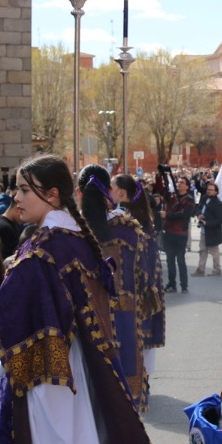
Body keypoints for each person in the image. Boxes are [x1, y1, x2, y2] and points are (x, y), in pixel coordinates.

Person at [0, 155, 165, 444]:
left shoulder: (44, 248)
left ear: (51, 194)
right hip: (74, 370)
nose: (16, 198)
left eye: (23, 190)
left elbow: (4, 313)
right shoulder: (75, 239)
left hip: (47, 379)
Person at [77, 165, 164, 414]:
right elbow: (146, 277)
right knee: (124, 403)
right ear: (108, 193)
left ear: (79, 193)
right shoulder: (128, 229)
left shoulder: (71, 232)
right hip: (124, 320)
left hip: (85, 320)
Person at [162, 177, 195, 293]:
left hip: (180, 233)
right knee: (170, 260)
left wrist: (167, 215)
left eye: (182, 182)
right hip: (169, 232)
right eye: (178, 182)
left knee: (180, 259)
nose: (179, 184)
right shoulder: (172, 197)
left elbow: (184, 215)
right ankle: (172, 284)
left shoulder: (189, 199)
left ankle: (184, 285)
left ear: (187, 186)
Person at [194, 182, 222, 277]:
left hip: (213, 231)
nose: (209, 191)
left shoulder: (218, 204)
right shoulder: (204, 198)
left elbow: (220, 220)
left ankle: (217, 269)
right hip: (203, 230)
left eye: (211, 190)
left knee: (214, 252)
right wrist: (199, 214)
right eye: (208, 190)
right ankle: (201, 269)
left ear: (216, 192)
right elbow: (198, 208)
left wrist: (208, 223)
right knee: (202, 250)